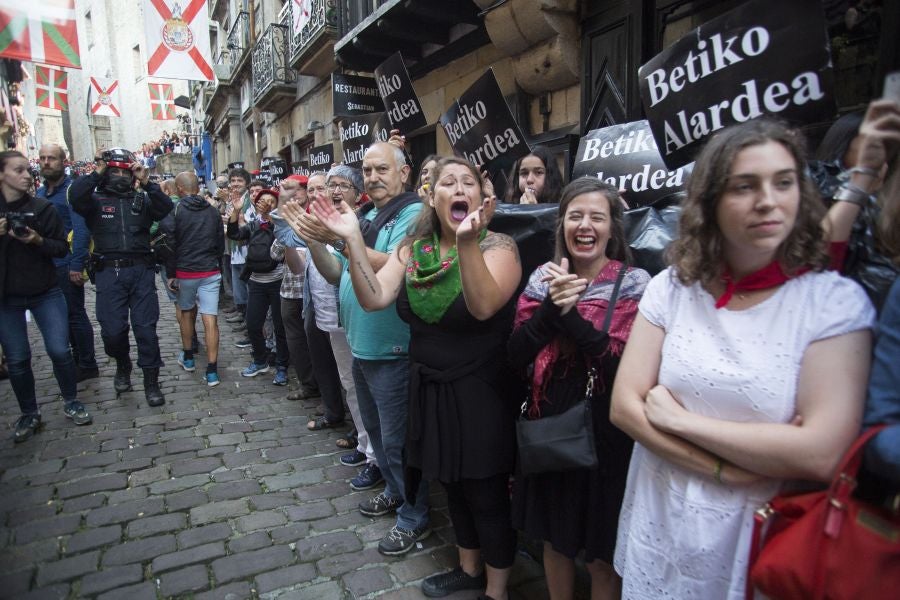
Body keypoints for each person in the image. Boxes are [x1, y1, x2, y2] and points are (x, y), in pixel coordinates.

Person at [609, 119, 875, 599]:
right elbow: (625, 406)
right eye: (745, 186)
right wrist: (728, 466)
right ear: (710, 201)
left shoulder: (832, 304)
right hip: (663, 508)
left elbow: (821, 452)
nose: (768, 200)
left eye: (784, 182)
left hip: (757, 528)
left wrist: (679, 421)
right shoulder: (673, 287)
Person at [313, 156, 522, 598]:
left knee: (484, 493)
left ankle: (497, 591)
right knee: (451, 483)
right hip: (428, 386)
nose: (459, 187)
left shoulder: (498, 246)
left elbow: (484, 305)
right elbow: (374, 296)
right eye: (449, 181)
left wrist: (467, 244)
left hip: (479, 391)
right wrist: (351, 240)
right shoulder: (414, 248)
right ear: (433, 195)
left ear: (482, 198)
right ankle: (468, 570)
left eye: (469, 182)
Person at [509, 178, 649, 600]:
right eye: (575, 215)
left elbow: (620, 362)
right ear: (562, 226)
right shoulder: (541, 279)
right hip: (552, 427)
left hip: (609, 432)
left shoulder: (634, 284)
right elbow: (515, 354)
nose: (585, 225)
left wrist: (570, 317)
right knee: (556, 540)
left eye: (596, 217)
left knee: (602, 553)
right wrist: (551, 308)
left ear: (611, 228)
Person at [285, 142, 426, 555]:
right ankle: (396, 492)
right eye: (366, 169)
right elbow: (335, 274)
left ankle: (415, 516)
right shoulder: (362, 214)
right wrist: (313, 240)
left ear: (404, 173)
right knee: (379, 435)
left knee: (400, 441)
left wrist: (343, 239)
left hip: (392, 346)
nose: (373, 176)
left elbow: (396, 263)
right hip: (361, 343)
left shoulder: (415, 214)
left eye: (382, 168)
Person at [280, 166, 381, 491]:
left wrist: (337, 238)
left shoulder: (365, 223)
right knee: (351, 385)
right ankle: (366, 447)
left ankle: (378, 459)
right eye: (328, 186)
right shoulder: (321, 220)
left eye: (340, 186)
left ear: (356, 193)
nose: (332, 192)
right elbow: (329, 272)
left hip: (360, 318)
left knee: (368, 389)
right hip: (329, 317)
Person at [69, 148, 174, 407]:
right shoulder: (94, 201)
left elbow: (165, 207)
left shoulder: (143, 200)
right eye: (113, 171)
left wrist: (147, 183)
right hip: (108, 273)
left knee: (146, 330)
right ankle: (123, 365)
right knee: (113, 332)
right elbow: (75, 197)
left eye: (123, 171)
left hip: (140, 272)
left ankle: (151, 381)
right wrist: (98, 171)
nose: (119, 176)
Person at [0, 150, 92, 442]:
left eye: (28, 170)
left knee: (59, 350)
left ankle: (71, 400)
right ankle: (29, 412)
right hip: (7, 298)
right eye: (19, 170)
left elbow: (60, 248)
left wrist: (37, 240)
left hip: (45, 291)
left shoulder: (41, 208)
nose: (28, 175)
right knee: (17, 359)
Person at [36, 143, 99, 382]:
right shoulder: (41, 194)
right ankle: (72, 359)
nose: (46, 162)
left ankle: (86, 362)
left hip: (66, 262)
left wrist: (77, 264)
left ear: (63, 161)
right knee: (59, 316)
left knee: (74, 314)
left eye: (51, 158)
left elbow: (81, 230)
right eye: (42, 158)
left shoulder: (73, 190)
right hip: (46, 263)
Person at [159, 172, 225, 386]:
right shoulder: (213, 211)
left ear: (179, 189)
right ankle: (212, 370)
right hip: (209, 270)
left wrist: (171, 273)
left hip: (186, 271)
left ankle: (188, 358)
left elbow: (170, 243)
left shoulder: (175, 210)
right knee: (210, 318)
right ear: (197, 187)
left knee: (187, 314)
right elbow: (219, 242)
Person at [227, 186, 289, 384]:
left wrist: (273, 218)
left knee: (280, 328)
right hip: (256, 282)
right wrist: (236, 211)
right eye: (264, 200)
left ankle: (282, 366)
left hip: (277, 282)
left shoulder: (281, 224)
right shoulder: (254, 225)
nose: (267, 203)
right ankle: (260, 360)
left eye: (271, 201)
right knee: (253, 324)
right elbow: (234, 234)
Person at [271, 173, 319, 399]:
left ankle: (326, 391)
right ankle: (308, 385)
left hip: (316, 291)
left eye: (300, 189)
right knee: (297, 342)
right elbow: (274, 252)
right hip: (291, 290)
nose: (296, 194)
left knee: (318, 344)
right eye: (291, 190)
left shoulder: (318, 215)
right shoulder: (285, 218)